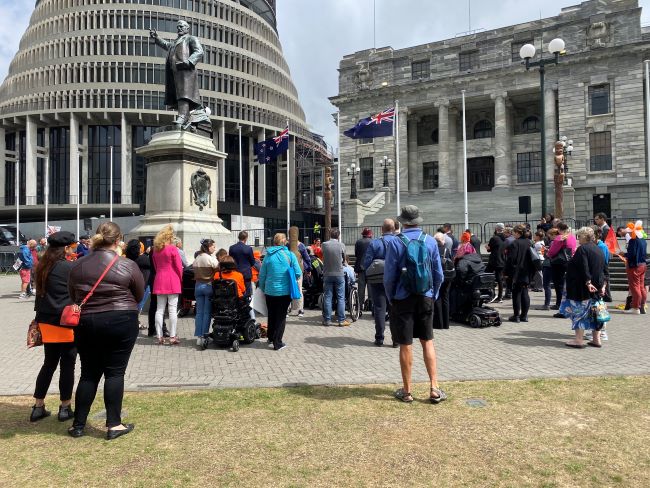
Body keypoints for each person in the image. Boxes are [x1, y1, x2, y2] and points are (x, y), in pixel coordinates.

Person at [67, 222, 144, 439]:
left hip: (87, 320)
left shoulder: (78, 264)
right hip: (121, 318)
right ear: (119, 240)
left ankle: (78, 424)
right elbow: (138, 295)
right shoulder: (127, 265)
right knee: (115, 372)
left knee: (89, 372)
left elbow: (73, 296)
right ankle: (114, 424)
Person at [385, 205, 445, 404]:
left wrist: (391, 298)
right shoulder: (429, 241)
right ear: (419, 221)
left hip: (402, 298)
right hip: (425, 296)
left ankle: (407, 390)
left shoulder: (395, 242)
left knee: (405, 344)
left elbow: (389, 276)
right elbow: (438, 274)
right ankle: (434, 388)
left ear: (402, 222)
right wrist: (433, 294)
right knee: (427, 341)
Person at [30, 231, 78, 423]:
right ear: (66, 248)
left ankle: (38, 406)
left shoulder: (41, 265)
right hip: (66, 320)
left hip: (46, 320)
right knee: (68, 364)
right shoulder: (69, 268)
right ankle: (65, 407)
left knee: (49, 363)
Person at [559, 227, 606, 348]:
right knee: (595, 313)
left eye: (579, 236)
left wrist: (587, 282)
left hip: (581, 287)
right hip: (596, 287)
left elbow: (584, 267)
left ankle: (578, 340)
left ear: (585, 236)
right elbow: (604, 269)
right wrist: (603, 285)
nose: (578, 239)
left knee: (579, 312)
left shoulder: (582, 249)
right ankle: (597, 339)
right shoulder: (599, 249)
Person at [258, 233, 301, 350]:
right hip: (284, 291)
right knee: (281, 317)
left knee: (271, 314)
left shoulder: (268, 255)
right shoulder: (290, 255)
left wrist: (262, 287)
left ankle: (270, 337)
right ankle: (278, 343)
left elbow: (262, 274)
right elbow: (298, 273)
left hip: (269, 291)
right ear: (284, 242)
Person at [362, 219, 396, 346]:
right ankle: (396, 339)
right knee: (394, 309)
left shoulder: (375, 243)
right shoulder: (398, 242)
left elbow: (367, 261)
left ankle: (379, 338)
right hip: (394, 280)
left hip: (377, 279)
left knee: (379, 308)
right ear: (393, 229)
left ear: (382, 229)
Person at [152, 225, 183, 345]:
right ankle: (172, 336)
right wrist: (180, 279)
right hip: (172, 280)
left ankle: (159, 336)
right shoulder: (172, 249)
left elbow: (155, 266)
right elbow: (178, 267)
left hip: (159, 280)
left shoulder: (156, 250)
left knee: (159, 310)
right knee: (172, 310)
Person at [504, 224, 536, 323]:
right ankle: (524, 316)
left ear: (518, 233)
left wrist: (506, 273)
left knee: (516, 293)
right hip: (527, 271)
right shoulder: (529, 242)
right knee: (525, 292)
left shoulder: (514, 244)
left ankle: (516, 316)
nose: (513, 234)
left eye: (514, 232)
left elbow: (510, 260)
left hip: (517, 272)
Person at [547, 222, 577, 317]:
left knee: (558, 285)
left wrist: (548, 254)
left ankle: (559, 305)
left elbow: (552, 251)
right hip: (569, 262)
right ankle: (568, 307)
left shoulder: (560, 237)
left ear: (559, 229)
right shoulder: (572, 236)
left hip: (558, 263)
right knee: (566, 285)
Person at [321, 229, 350, 327]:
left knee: (328, 297)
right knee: (341, 297)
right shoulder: (342, 245)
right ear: (338, 236)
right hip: (339, 274)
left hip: (327, 273)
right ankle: (341, 320)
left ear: (330, 235)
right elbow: (344, 260)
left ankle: (327, 320)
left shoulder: (324, 244)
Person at [193, 239, 218, 345]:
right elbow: (218, 268)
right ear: (208, 247)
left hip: (198, 286)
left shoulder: (197, 258)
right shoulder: (210, 259)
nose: (214, 248)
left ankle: (199, 336)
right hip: (208, 286)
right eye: (213, 246)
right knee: (207, 313)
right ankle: (205, 335)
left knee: (199, 313)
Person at [125, 240, 151, 330]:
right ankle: (135, 323)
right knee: (139, 305)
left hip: (133, 284)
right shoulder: (143, 259)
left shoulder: (128, 258)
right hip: (143, 285)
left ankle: (135, 322)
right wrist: (147, 254)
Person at [623, 221, 647, 314]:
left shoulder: (633, 241)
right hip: (643, 264)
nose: (628, 234)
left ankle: (636, 307)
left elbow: (632, 254)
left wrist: (624, 254)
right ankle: (642, 306)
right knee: (641, 286)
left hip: (634, 265)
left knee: (635, 287)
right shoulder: (643, 240)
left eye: (629, 232)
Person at [433, 232, 452, 330]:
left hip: (437, 276)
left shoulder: (434, 249)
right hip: (447, 276)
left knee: (438, 298)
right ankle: (446, 323)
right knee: (446, 298)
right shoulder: (447, 250)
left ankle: (438, 323)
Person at [289, 238, 311, 317]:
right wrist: (308, 269)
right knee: (299, 289)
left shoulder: (287, 245)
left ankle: (288, 309)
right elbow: (307, 258)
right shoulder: (301, 245)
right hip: (299, 270)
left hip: (288, 270)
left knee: (288, 289)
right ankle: (300, 309)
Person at [229, 231, 256, 296]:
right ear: (246, 238)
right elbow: (252, 262)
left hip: (235, 272)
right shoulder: (248, 248)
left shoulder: (232, 248)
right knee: (246, 292)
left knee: (236, 291)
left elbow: (230, 260)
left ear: (238, 237)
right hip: (246, 273)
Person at [354, 227, 373, 312]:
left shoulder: (358, 242)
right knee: (370, 288)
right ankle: (371, 305)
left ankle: (360, 306)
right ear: (370, 235)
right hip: (370, 268)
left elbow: (356, 254)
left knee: (361, 288)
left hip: (361, 268)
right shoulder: (373, 242)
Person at [486, 223, 506, 303]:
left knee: (487, 275)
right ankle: (500, 296)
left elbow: (489, 249)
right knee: (499, 279)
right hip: (502, 259)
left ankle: (491, 294)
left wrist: (488, 248)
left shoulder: (494, 238)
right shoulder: (505, 238)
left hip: (494, 260)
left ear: (496, 229)